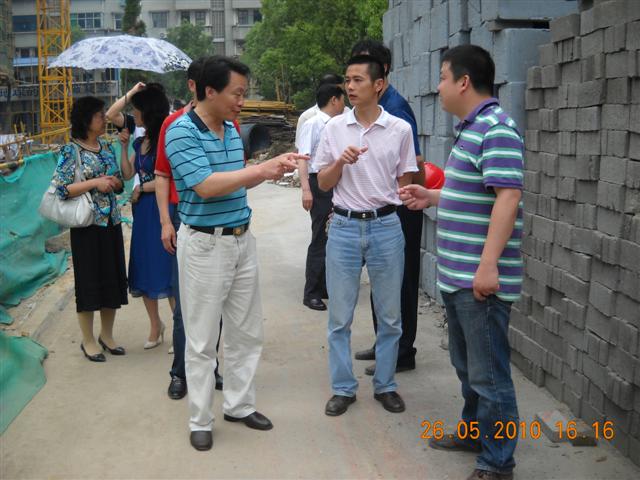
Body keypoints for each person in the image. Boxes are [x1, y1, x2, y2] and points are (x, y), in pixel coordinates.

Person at [165, 55, 307, 451]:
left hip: (242, 239)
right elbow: (206, 185)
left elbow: (236, 183)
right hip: (205, 245)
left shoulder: (230, 130)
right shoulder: (180, 132)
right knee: (202, 338)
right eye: (237, 93)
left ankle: (239, 405)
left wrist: (270, 170)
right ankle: (200, 419)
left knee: (246, 332)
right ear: (210, 91)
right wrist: (260, 170)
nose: (242, 101)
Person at [399, 45, 523, 480]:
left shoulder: (497, 129)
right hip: (458, 277)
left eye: (443, 77)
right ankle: (475, 433)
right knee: (468, 368)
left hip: (477, 281)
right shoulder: (470, 130)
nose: (438, 87)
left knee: (490, 377)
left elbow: (508, 196)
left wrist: (488, 266)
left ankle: (498, 463)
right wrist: (432, 196)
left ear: (464, 82)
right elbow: (474, 191)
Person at [315, 54, 417, 417]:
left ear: (379, 85)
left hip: (386, 226)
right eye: (347, 80)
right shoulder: (334, 128)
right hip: (343, 227)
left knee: (390, 316)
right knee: (339, 318)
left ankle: (385, 385)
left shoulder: (400, 129)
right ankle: (343, 388)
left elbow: (405, 181)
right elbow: (323, 182)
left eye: (358, 80)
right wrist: (340, 162)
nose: (350, 87)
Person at [155, 57, 242, 399]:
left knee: (215, 306)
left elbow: (234, 175)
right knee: (187, 306)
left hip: (222, 222)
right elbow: (162, 175)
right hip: (187, 218)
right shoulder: (174, 125)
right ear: (202, 88)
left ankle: (210, 369)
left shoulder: (230, 125)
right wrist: (165, 221)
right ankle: (180, 372)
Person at [349, 40, 425, 376]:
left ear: (382, 74)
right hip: (379, 208)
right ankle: (385, 343)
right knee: (381, 277)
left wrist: (397, 195)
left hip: (399, 209)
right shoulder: (370, 109)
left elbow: (415, 161)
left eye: (365, 71)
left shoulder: (396, 108)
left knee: (401, 280)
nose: (356, 81)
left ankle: (402, 351)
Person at [51, 96, 127, 362]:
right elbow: (61, 188)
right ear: (85, 120)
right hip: (87, 226)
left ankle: (107, 335)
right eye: (99, 115)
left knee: (112, 279)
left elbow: (120, 182)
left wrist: (114, 183)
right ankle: (88, 340)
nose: (104, 119)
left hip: (111, 223)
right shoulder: (71, 151)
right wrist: (95, 183)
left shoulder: (106, 147)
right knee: (89, 282)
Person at [106, 82, 174, 350]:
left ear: (149, 112)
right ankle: (156, 326)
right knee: (144, 266)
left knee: (168, 267)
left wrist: (142, 188)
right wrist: (123, 148)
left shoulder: (167, 140)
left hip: (162, 207)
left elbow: (171, 179)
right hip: (143, 210)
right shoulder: (139, 141)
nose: (134, 114)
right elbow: (127, 174)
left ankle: (179, 325)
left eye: (138, 109)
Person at [296, 83, 346, 311]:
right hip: (319, 184)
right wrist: (306, 189)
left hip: (333, 181)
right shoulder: (313, 124)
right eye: (342, 99)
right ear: (334, 100)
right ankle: (311, 293)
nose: (344, 104)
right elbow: (303, 158)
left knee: (332, 236)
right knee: (320, 237)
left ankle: (324, 285)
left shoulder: (338, 124)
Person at [294, 73, 348, 145]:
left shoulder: (347, 113)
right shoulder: (307, 117)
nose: (341, 94)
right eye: (338, 91)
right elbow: (300, 147)